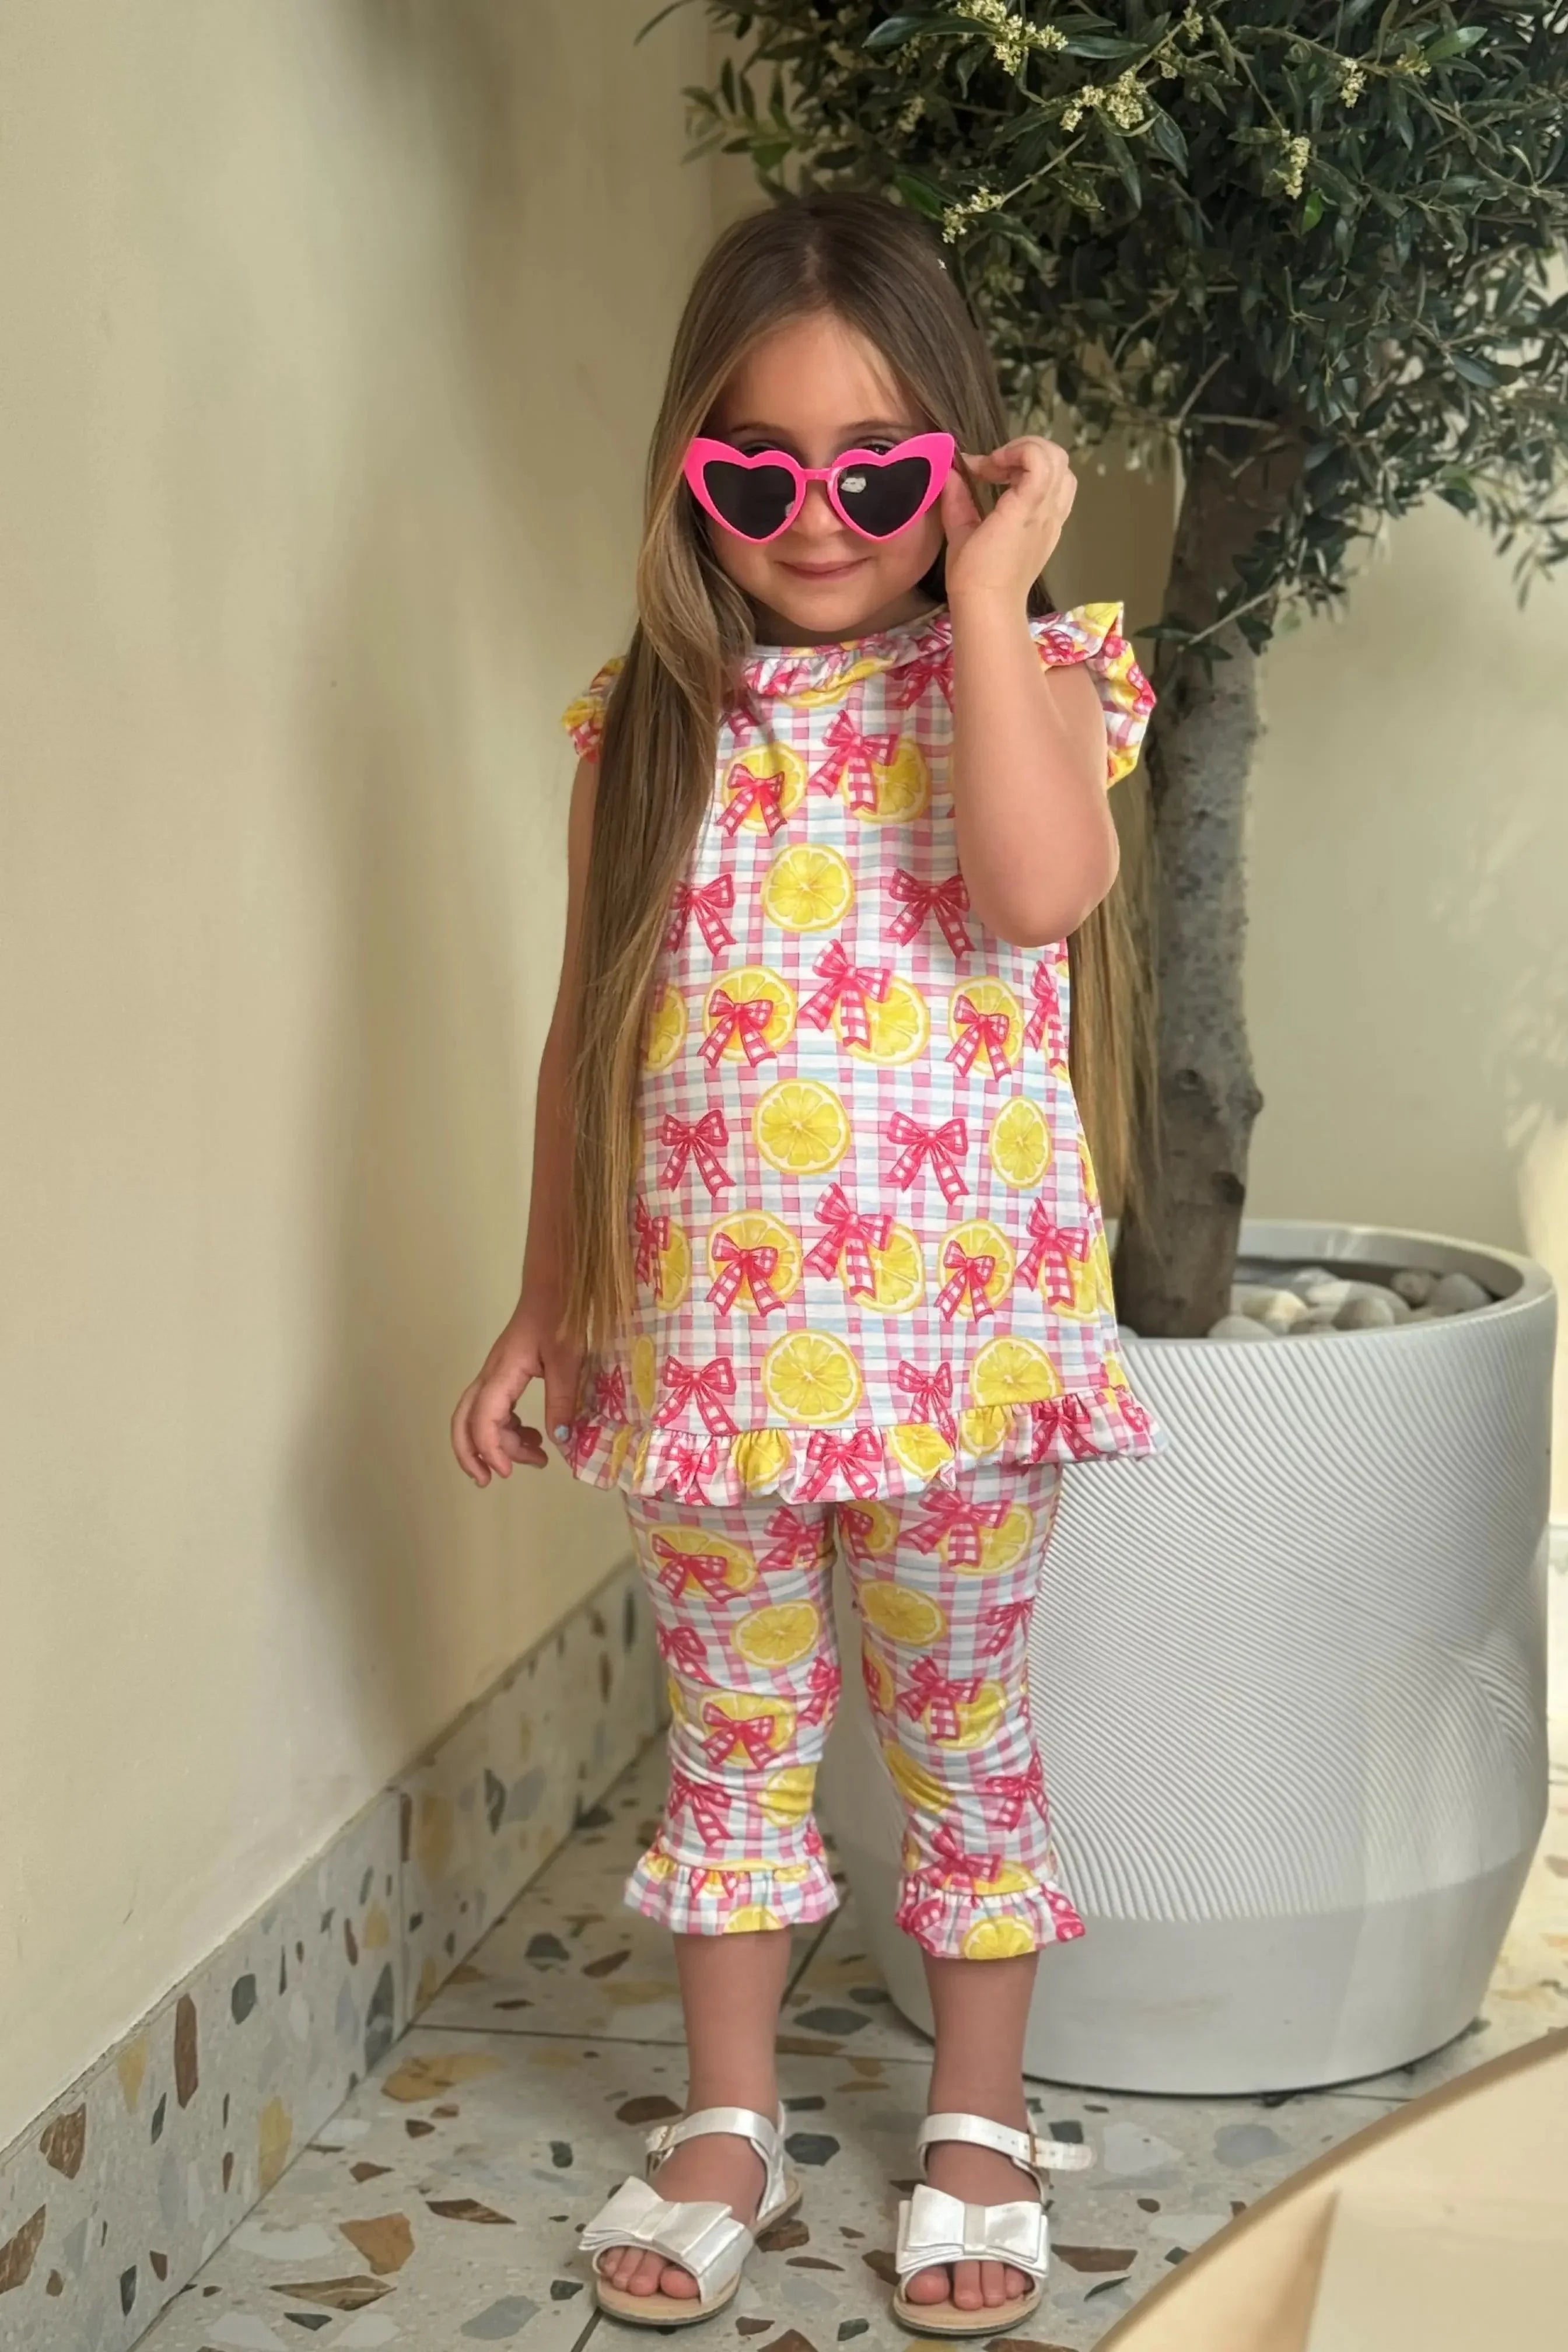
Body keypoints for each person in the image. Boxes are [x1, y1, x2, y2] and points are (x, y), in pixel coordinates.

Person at [452, 190, 1160, 2335]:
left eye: (880, 471)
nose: (820, 517)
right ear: (695, 475)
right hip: (708, 1356)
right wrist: (547, 1300)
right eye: (763, 473)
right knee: (734, 1752)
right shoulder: (645, 725)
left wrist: (996, 589)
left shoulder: (1035, 680)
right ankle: (733, 2117)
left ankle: (973, 2122)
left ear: (954, 461)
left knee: (962, 1742)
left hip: (954, 1358)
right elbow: (590, 1032)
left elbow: (1035, 896)